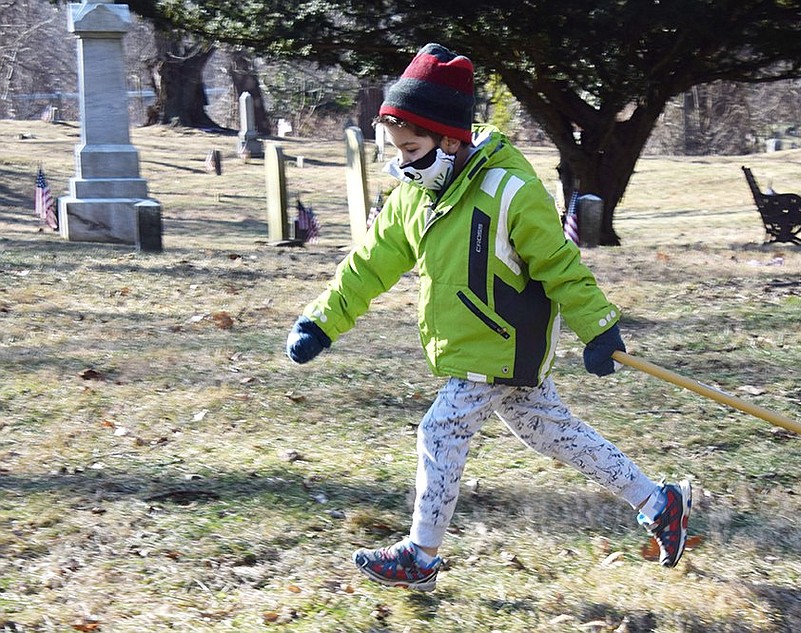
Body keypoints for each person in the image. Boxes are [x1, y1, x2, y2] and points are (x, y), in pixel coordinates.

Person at [285, 43, 690, 592]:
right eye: (397, 151)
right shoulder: (414, 196)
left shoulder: (509, 190)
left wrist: (598, 327)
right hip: (478, 344)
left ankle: (420, 556)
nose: (404, 162)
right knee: (549, 432)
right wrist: (322, 321)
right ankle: (658, 501)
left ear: (450, 140)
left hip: (501, 341)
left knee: (441, 429)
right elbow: (370, 263)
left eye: (413, 148)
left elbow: (559, 265)